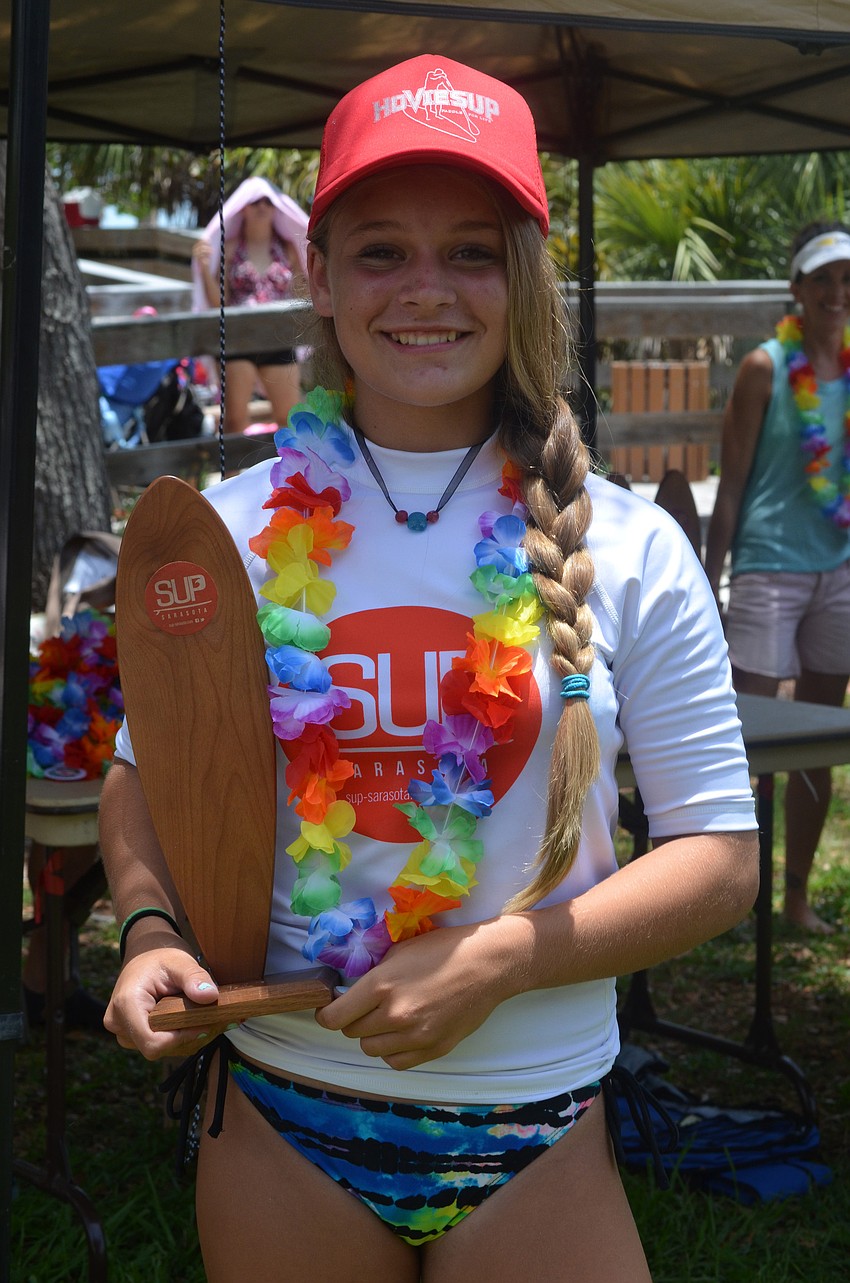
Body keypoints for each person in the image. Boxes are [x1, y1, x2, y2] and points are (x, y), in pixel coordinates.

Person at [103, 55, 759, 1282]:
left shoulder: (624, 540)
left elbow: (719, 861)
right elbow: (145, 776)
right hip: (286, 1105)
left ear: (521, 272)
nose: (426, 291)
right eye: (379, 251)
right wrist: (147, 929)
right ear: (318, 273)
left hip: (538, 1118)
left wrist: (507, 955)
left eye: (469, 250)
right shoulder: (229, 533)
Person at [705, 221, 850, 935]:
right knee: (748, 743)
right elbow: (730, 485)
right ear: (797, 287)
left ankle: (795, 898)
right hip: (767, 567)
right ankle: (733, 897)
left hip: (840, 570)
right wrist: (710, 581)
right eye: (822, 277)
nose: (836, 291)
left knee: (819, 740)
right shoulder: (764, 367)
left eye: (847, 278)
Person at [192, 175, 309, 434]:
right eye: (255, 201)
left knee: (290, 422)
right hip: (239, 339)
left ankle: (293, 475)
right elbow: (218, 303)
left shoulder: (288, 248)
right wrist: (203, 269)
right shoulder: (231, 248)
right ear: (242, 207)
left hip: (279, 337)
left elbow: (304, 291)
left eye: (268, 201)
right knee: (234, 422)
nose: (262, 206)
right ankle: (232, 476)